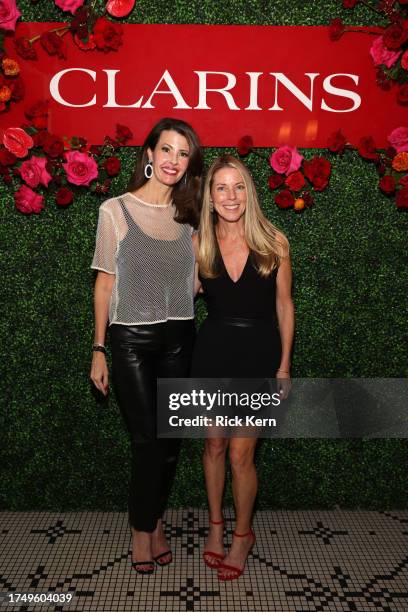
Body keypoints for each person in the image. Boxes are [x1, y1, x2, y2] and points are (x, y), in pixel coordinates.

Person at [90, 118, 203, 574]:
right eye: (167, 150)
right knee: (147, 441)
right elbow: (103, 284)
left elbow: (194, 280)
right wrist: (99, 349)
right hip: (131, 340)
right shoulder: (115, 210)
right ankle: (141, 529)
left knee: (172, 441)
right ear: (150, 155)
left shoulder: (189, 214)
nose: (174, 160)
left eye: (183, 154)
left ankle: (156, 521)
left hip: (179, 338)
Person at [191, 154, 294, 581]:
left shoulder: (274, 240)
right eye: (221, 188)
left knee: (240, 453)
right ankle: (216, 527)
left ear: (248, 193)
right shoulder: (198, 242)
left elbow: (285, 307)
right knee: (214, 446)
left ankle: (242, 535)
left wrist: (284, 366)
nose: (230, 196)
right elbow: (181, 298)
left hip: (258, 354)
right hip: (212, 351)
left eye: (238, 187)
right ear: (210, 198)